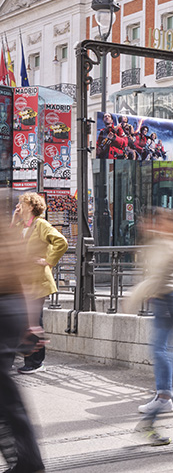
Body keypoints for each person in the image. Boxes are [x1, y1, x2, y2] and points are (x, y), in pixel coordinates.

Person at [130, 209, 173, 445]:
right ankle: (165, 394)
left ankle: (164, 395)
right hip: (165, 300)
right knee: (162, 348)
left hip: (166, 300)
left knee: (159, 348)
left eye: (161, 222)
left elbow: (159, 274)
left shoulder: (169, 245)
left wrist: (138, 295)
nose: (157, 225)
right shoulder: (169, 242)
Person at [0, 208, 46, 471]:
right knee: (5, 394)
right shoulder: (10, 232)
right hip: (11, 310)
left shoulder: (36, 226)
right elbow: (22, 275)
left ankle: (28, 461)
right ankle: (26, 460)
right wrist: (29, 323)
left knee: (5, 396)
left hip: (4, 310)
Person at [12, 192, 68, 374]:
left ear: (31, 207)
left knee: (34, 320)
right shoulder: (19, 226)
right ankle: (17, 357)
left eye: (21, 203)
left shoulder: (40, 225)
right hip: (21, 282)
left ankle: (36, 363)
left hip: (37, 281)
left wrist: (49, 261)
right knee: (19, 319)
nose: (18, 206)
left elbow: (61, 242)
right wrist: (13, 220)